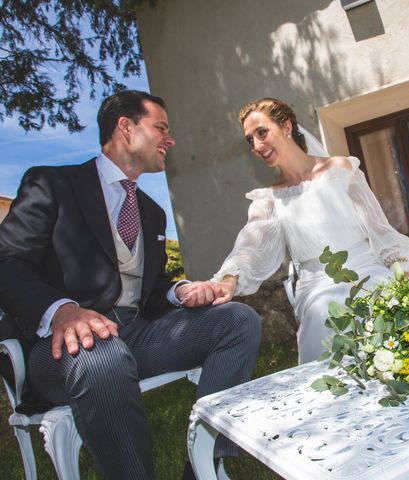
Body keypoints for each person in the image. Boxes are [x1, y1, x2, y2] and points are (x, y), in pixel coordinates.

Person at [0, 90, 261, 479]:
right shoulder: (52, 185)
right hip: (62, 351)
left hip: (135, 336)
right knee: (98, 353)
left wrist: (180, 290)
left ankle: (205, 465)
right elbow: (8, 260)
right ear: (125, 127)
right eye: (161, 128)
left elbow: (150, 286)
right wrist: (61, 310)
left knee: (237, 319)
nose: (170, 140)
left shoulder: (151, 213)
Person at [181, 98, 409, 363]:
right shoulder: (269, 199)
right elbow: (250, 246)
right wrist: (228, 280)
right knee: (324, 314)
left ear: (286, 127)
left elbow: (378, 226)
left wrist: (400, 267)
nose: (257, 146)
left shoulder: (341, 169)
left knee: (391, 310)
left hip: (370, 270)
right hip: (318, 288)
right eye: (250, 140)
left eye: (262, 132)